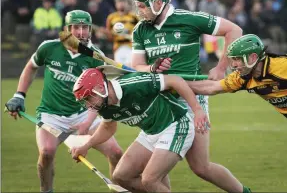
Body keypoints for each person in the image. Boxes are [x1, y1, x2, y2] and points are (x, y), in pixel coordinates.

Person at [131, 0, 250, 193]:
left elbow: (234, 30)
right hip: (160, 101)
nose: (139, 11)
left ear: (158, 3)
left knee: (201, 167)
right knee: (150, 171)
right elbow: (136, 66)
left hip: (191, 97)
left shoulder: (189, 19)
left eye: (143, 5)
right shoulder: (141, 30)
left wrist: (221, 68)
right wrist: (152, 68)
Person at [187, 34, 287, 193]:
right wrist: (177, 84)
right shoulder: (244, 77)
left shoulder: (281, 66)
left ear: (253, 57)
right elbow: (211, 88)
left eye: (238, 59)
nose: (233, 65)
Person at [5, 10, 123, 193]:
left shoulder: (96, 56)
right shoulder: (49, 47)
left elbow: (101, 95)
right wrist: (19, 95)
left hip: (83, 113)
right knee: (46, 153)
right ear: (67, 29)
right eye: (76, 27)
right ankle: (47, 191)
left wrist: (87, 122)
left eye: (85, 28)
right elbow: (30, 67)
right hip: (51, 114)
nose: (81, 32)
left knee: (116, 153)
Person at [70, 68, 209, 192]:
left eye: (88, 98)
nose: (88, 105)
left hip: (176, 125)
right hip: (150, 133)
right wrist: (86, 145)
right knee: (121, 176)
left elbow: (175, 80)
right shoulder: (103, 105)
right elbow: (108, 128)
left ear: (100, 88)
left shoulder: (133, 84)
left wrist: (197, 109)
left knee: (149, 180)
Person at [106, 0, 139, 65]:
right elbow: (109, 35)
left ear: (127, 3)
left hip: (131, 47)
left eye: (123, 1)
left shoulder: (134, 16)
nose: (121, 4)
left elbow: (140, 32)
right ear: (115, 4)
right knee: (119, 69)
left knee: (131, 69)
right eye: (119, 2)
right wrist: (110, 34)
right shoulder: (111, 17)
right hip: (118, 47)